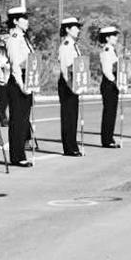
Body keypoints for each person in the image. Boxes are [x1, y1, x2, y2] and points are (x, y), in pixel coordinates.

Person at [6, 6, 34, 167]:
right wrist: (22, 85)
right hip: (18, 80)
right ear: (15, 21)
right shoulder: (14, 38)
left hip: (26, 77)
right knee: (18, 119)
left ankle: (21, 153)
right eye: (23, 18)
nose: (27, 21)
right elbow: (15, 64)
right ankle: (17, 156)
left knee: (24, 119)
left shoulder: (23, 38)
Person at [58, 17, 83, 157]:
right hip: (68, 83)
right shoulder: (66, 45)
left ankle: (73, 145)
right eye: (75, 27)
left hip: (74, 82)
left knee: (73, 116)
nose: (78, 30)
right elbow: (64, 69)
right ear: (67, 29)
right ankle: (69, 148)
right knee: (68, 116)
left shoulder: (74, 45)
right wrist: (71, 86)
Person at [99, 26, 120, 147]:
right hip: (109, 83)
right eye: (114, 35)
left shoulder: (111, 50)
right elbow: (107, 70)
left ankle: (109, 138)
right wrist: (115, 82)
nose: (116, 38)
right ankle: (107, 140)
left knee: (112, 112)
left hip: (112, 83)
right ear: (107, 38)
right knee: (109, 112)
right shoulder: (107, 50)